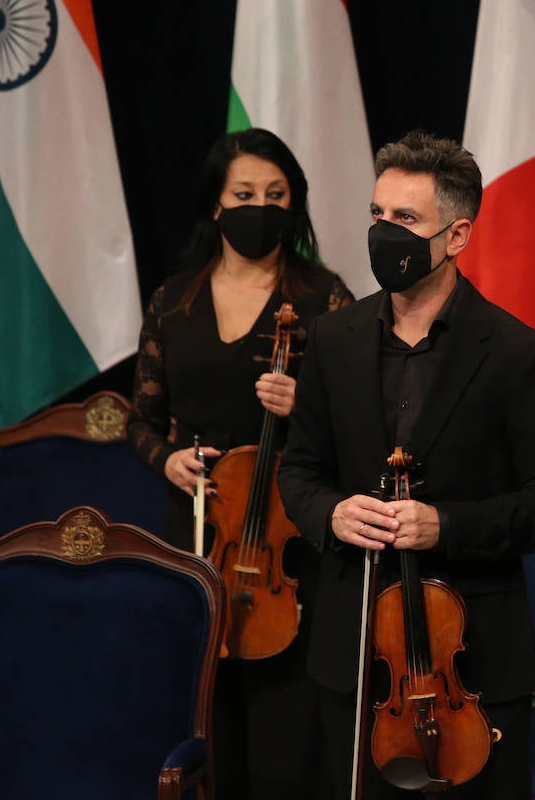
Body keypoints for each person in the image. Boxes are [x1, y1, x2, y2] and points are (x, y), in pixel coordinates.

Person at [277, 130, 535, 800]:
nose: (384, 232)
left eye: (405, 220)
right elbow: (300, 472)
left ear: (457, 235)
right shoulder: (332, 339)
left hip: (475, 662)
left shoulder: (520, 352)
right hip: (356, 656)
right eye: (377, 215)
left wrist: (445, 526)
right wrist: (333, 513)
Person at [128, 127, 354, 799]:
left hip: (288, 539)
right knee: (207, 720)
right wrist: (167, 460)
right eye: (245, 193)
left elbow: (365, 422)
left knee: (289, 733)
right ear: (215, 205)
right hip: (196, 530)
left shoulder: (322, 297)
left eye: (277, 194)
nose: (262, 206)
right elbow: (140, 419)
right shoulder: (174, 300)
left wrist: (304, 405)